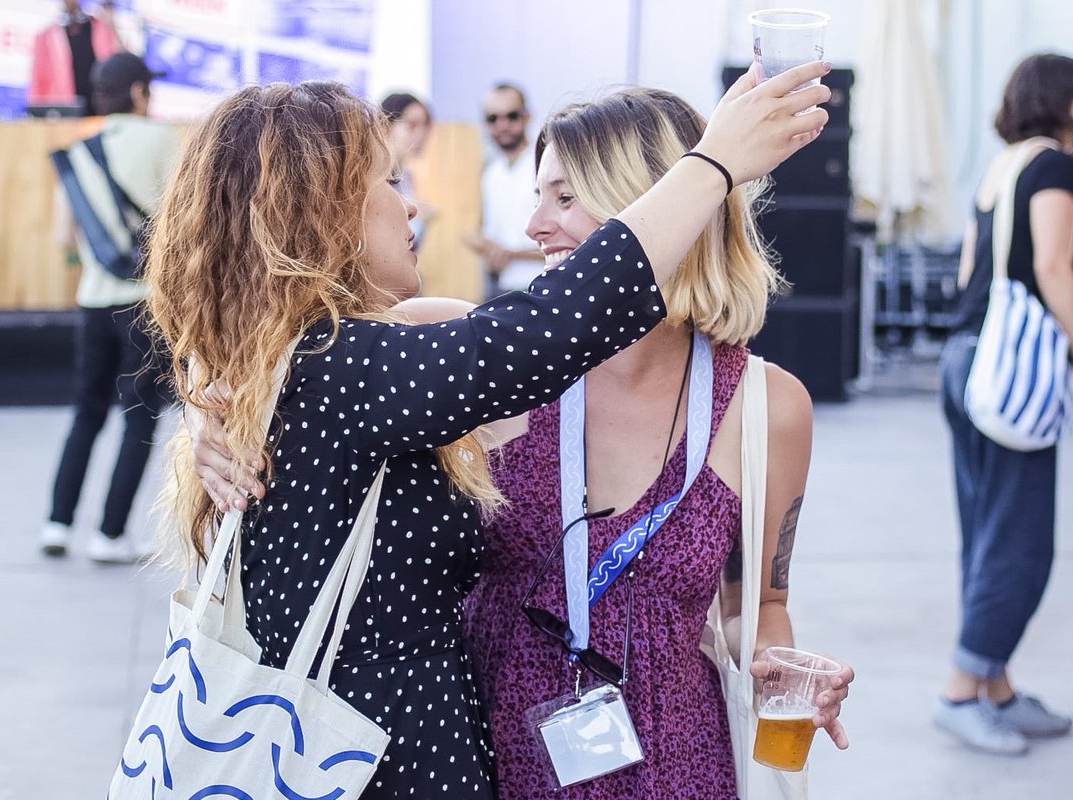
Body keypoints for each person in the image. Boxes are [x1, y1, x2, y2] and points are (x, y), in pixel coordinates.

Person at [153, 65, 831, 798]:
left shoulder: (766, 405)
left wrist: (778, 670)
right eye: (387, 181)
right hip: (468, 750)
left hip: (669, 760)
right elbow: (269, 340)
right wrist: (204, 403)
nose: (535, 226)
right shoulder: (442, 354)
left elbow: (755, 607)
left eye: (566, 197)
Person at [935, 53, 1073, 755]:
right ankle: (962, 689)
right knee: (1020, 542)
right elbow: (1052, 265)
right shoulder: (1052, 165)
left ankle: (996, 686)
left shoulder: (1000, 166)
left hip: (967, 360)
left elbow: (968, 270)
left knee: (986, 531)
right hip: (1013, 370)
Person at [39, 52, 180, 563]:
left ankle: (57, 524)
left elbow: (64, 238)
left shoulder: (78, 154)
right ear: (139, 92)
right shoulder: (162, 141)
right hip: (145, 305)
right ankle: (111, 534)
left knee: (86, 413)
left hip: (93, 300)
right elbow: (181, 222)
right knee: (139, 418)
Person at [463, 83, 545, 299]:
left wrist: (510, 253)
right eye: (493, 118)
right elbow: (489, 234)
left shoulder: (546, 164)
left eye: (511, 116)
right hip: (500, 289)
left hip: (543, 286)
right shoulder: (492, 173)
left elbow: (573, 240)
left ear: (527, 116)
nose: (503, 125)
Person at [29, 0, 122, 116]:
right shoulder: (47, 36)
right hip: (65, 114)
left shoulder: (100, 28)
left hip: (100, 112)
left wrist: (111, 25)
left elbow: (120, 63)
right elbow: (38, 81)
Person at [380, 92, 434, 252]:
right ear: (386, 125)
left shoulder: (405, 176)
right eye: (412, 125)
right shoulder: (373, 176)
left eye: (426, 125)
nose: (421, 134)